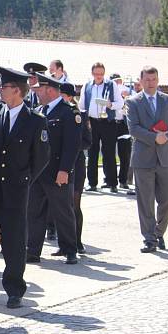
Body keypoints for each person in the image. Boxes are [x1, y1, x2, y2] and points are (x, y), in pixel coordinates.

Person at [0, 66, 49, 309]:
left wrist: (25, 180)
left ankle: (14, 288)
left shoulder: (35, 121)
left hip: (16, 189)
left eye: (4, 86)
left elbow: (41, 158)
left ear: (17, 91)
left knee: (14, 240)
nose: (0, 89)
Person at [25, 74, 82, 265]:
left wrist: (65, 170)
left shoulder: (68, 112)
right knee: (34, 211)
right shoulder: (39, 111)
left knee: (62, 211)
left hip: (57, 171)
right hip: (38, 172)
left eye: (39, 90)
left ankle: (69, 249)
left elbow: (72, 145)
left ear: (49, 89)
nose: (37, 94)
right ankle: (32, 250)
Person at [125, 66, 168, 253]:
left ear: (158, 80)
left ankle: (159, 233)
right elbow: (133, 128)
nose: (150, 83)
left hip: (165, 157)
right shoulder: (133, 102)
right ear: (141, 81)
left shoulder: (167, 100)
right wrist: (153, 137)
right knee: (145, 201)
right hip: (143, 159)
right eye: (147, 80)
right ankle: (149, 238)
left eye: (154, 79)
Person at [79, 62, 122, 193]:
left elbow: (120, 103)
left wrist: (110, 105)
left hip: (107, 121)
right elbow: (81, 105)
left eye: (101, 74)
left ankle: (112, 183)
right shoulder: (87, 86)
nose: (99, 77)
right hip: (91, 122)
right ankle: (92, 183)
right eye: (97, 74)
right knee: (92, 152)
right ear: (92, 73)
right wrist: (85, 119)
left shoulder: (111, 84)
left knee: (109, 152)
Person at [60, 83, 91, 254]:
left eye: (63, 95)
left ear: (70, 97)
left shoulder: (80, 115)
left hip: (76, 164)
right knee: (61, 206)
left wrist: (70, 146)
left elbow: (88, 141)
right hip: (59, 164)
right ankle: (64, 243)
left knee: (74, 203)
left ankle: (77, 241)